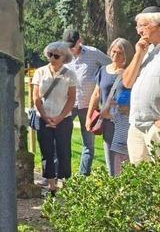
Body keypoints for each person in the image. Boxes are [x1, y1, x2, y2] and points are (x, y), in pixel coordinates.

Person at [62, 28, 111, 175]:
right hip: (68, 104)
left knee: (88, 144)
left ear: (79, 41)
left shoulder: (93, 53)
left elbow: (111, 66)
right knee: (61, 140)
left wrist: (102, 85)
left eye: (72, 45)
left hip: (88, 105)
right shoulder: (63, 55)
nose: (70, 48)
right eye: (67, 45)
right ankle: (62, 174)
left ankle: (82, 177)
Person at [32, 41, 77, 196]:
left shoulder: (70, 74)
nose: (52, 58)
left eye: (56, 55)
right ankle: (51, 185)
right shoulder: (40, 72)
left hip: (63, 119)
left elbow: (71, 99)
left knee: (64, 151)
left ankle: (65, 182)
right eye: (49, 54)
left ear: (64, 57)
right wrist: (45, 117)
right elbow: (36, 97)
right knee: (47, 152)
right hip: (43, 118)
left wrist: (58, 118)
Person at [85, 38, 134, 176]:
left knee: (125, 161)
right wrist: (89, 117)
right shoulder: (103, 70)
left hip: (124, 122)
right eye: (113, 51)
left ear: (127, 54)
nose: (115, 56)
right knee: (110, 161)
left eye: (120, 53)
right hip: (107, 122)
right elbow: (96, 94)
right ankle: (114, 190)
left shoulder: (130, 72)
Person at [122, 6, 160, 164]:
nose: (138, 31)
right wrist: (138, 54)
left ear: (157, 25)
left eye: (143, 26)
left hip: (155, 126)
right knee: (139, 179)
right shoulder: (146, 50)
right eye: (138, 26)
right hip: (137, 125)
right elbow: (127, 82)